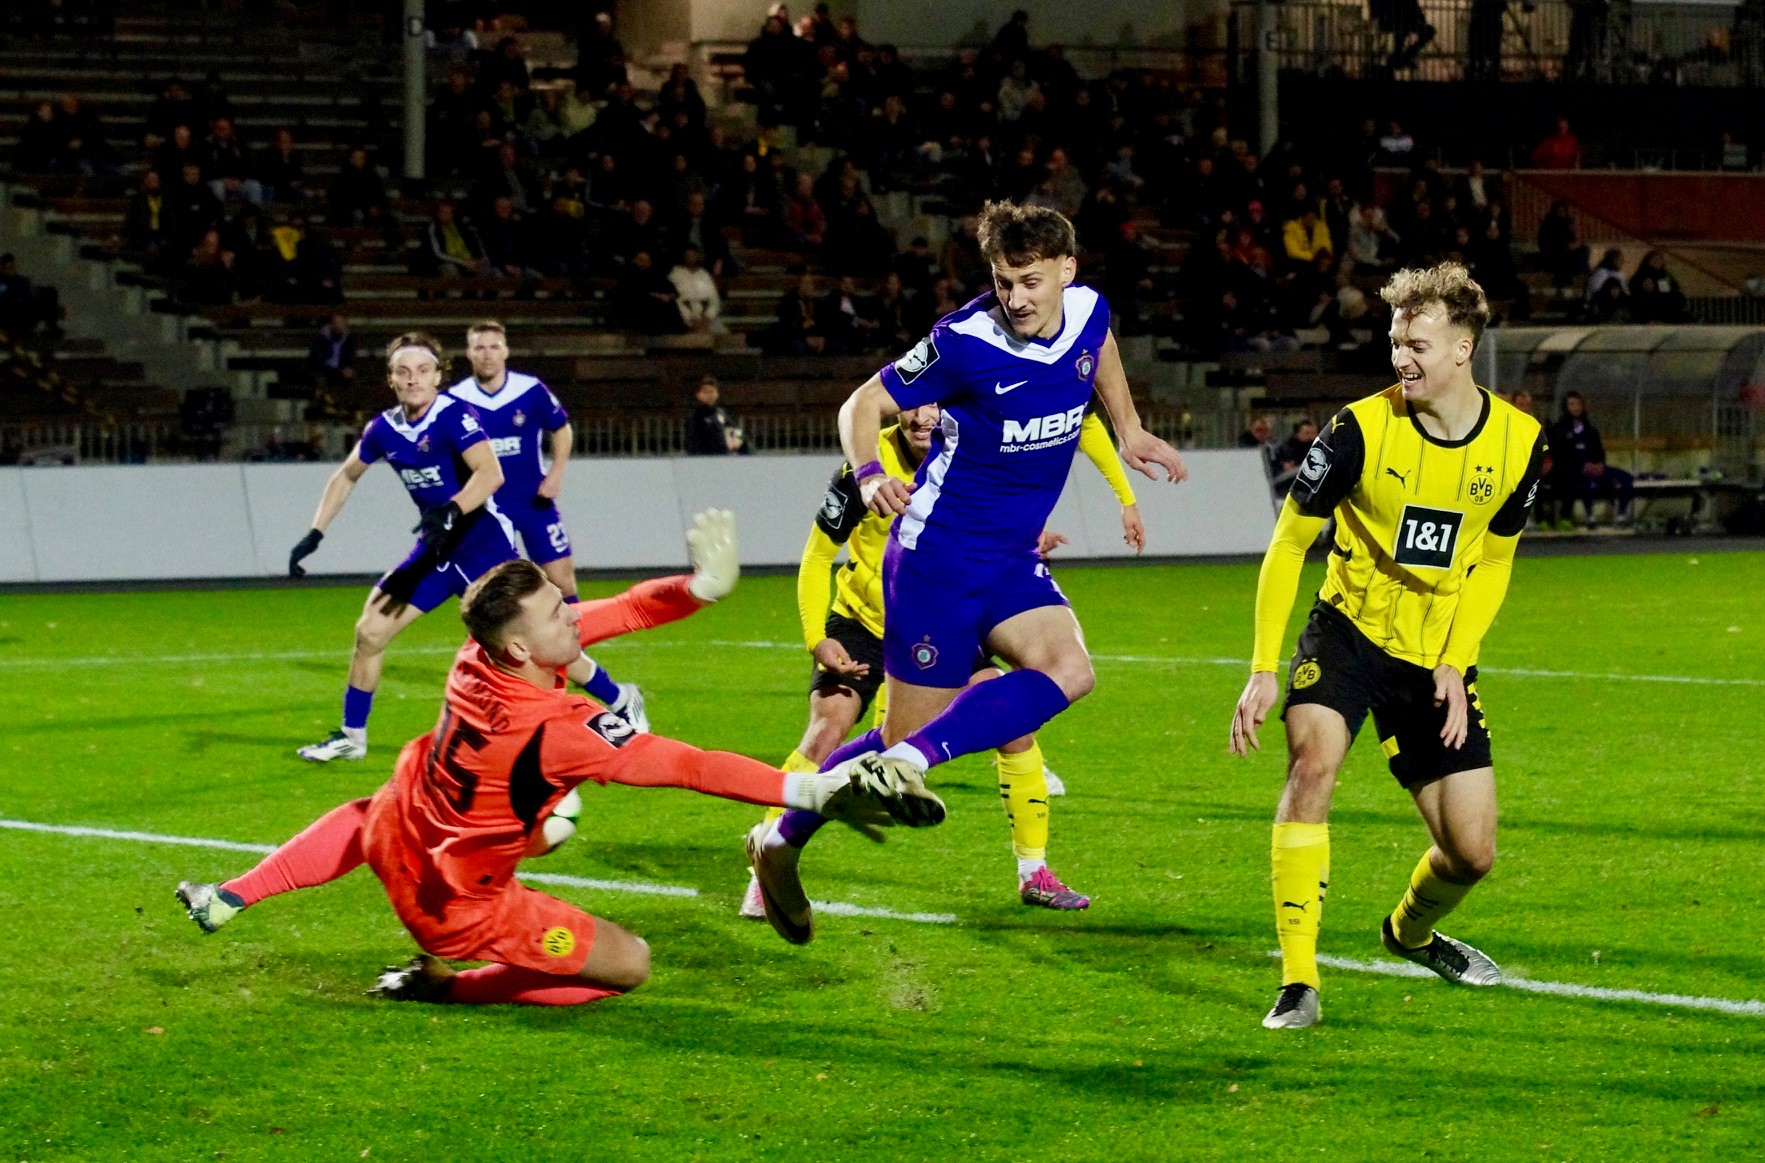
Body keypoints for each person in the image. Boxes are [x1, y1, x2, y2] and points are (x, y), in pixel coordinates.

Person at [175, 542, 945, 1005]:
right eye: (556, 614)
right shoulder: (556, 732)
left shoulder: (477, 653)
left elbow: (622, 611)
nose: (573, 615)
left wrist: (698, 588)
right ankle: (445, 982)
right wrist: (805, 788)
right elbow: (686, 765)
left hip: (397, 823)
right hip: (454, 906)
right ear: (521, 648)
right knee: (628, 964)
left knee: (380, 808)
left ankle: (237, 892)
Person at [745, 200, 1188, 942]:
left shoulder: (1086, 309)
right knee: (892, 738)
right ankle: (779, 837)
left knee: (1070, 671)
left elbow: (1100, 343)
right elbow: (863, 402)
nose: (1014, 297)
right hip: (935, 564)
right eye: (1003, 280)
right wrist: (862, 474)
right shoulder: (962, 341)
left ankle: (910, 763)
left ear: (1066, 272)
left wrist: (1129, 423)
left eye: (1029, 281)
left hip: (1010, 560)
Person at [1229, 263, 1547, 1030]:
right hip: (1346, 633)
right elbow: (1286, 546)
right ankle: (1298, 980)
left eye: (1417, 343)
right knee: (1313, 761)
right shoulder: (1358, 429)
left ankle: (1408, 933)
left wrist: (1453, 654)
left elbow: (1495, 560)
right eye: (1394, 339)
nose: (1400, 357)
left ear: (1463, 348)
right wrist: (1262, 669)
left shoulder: (1518, 442)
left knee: (1471, 853)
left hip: (1434, 653)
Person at [738, 393, 1148, 923]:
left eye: (936, 404)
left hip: (948, 614)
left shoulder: (971, 449)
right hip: (865, 621)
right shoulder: (865, 471)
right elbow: (818, 556)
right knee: (828, 729)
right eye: (913, 405)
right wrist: (816, 636)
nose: (924, 416)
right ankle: (767, 859)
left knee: (1017, 729)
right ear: (896, 409)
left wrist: (1033, 533)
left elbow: (1079, 417)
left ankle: (1034, 871)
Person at [286, 333, 516, 762]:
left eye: (423, 371)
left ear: (438, 378)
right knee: (370, 631)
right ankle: (351, 738)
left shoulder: (453, 415)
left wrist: (451, 509)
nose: (413, 380)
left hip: (483, 543)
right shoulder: (384, 430)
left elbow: (490, 474)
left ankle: (615, 700)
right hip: (437, 548)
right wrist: (314, 533)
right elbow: (345, 476)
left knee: (525, 642)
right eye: (403, 372)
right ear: (391, 380)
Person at [1548, 391, 1633, 527]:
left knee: (1627, 478)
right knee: (1588, 482)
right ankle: (1590, 516)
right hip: (1573, 472)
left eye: (1579, 404)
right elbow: (1560, 455)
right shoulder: (1559, 430)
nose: (1576, 407)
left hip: (1596, 468)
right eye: (1572, 404)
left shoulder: (1590, 429)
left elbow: (1599, 451)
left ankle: (1622, 514)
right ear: (1565, 406)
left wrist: (1599, 464)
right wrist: (1582, 466)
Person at [684, 375, 746, 454]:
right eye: (705, 392)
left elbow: (733, 431)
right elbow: (692, 442)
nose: (709, 394)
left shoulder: (721, 413)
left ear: (717, 394)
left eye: (712, 391)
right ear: (698, 395)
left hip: (723, 458)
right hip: (702, 459)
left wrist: (743, 446)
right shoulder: (694, 415)